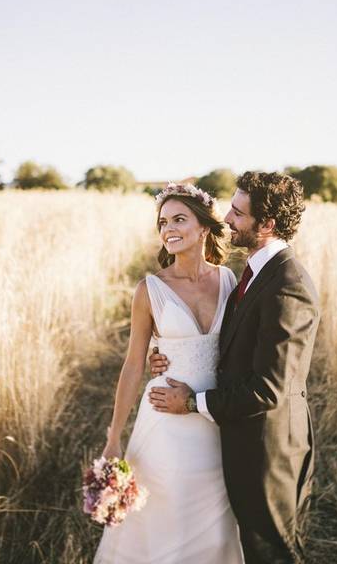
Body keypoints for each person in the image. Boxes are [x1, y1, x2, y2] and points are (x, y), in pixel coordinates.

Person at [148, 171, 320, 564]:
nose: (227, 219)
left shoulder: (287, 285)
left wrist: (192, 404)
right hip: (243, 438)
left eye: (239, 214)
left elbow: (269, 388)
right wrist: (168, 354)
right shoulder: (255, 273)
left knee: (272, 554)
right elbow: (228, 346)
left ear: (268, 225)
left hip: (269, 449)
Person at [93, 182, 244, 564]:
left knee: (216, 518)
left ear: (204, 228)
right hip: (163, 417)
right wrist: (113, 438)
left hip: (214, 417)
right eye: (163, 222)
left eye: (180, 219)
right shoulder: (150, 289)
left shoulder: (230, 282)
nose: (169, 229)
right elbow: (132, 364)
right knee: (167, 514)